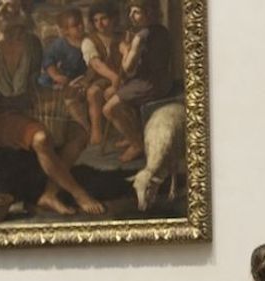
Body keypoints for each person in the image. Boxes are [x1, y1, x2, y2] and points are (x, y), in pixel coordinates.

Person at [0, 0, 104, 216]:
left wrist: (60, 93)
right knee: (41, 138)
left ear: (23, 12)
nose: (0, 10)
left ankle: (49, 194)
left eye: (8, 5)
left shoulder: (32, 43)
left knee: (79, 134)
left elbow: (32, 86)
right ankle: (79, 194)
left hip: (22, 105)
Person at [102, 0, 172, 162]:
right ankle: (132, 132)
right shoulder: (162, 30)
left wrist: (125, 50)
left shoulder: (140, 37)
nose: (131, 16)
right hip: (162, 81)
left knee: (108, 109)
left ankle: (136, 144)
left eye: (136, 12)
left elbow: (127, 69)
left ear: (148, 12)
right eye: (130, 12)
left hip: (148, 84)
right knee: (109, 93)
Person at [37, 9, 90, 135]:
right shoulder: (60, 44)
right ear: (65, 31)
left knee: (71, 98)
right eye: (75, 26)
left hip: (78, 79)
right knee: (43, 90)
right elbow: (48, 60)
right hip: (57, 78)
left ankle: (85, 129)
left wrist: (84, 80)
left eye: (81, 23)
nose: (80, 27)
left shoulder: (88, 41)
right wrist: (56, 75)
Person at [81, 1, 123, 145]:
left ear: (113, 19)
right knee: (93, 93)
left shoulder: (122, 37)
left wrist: (118, 79)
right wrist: (113, 77)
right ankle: (96, 130)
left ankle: (125, 132)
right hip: (98, 79)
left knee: (114, 94)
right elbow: (97, 65)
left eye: (104, 19)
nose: (100, 24)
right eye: (96, 20)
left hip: (122, 78)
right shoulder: (89, 41)